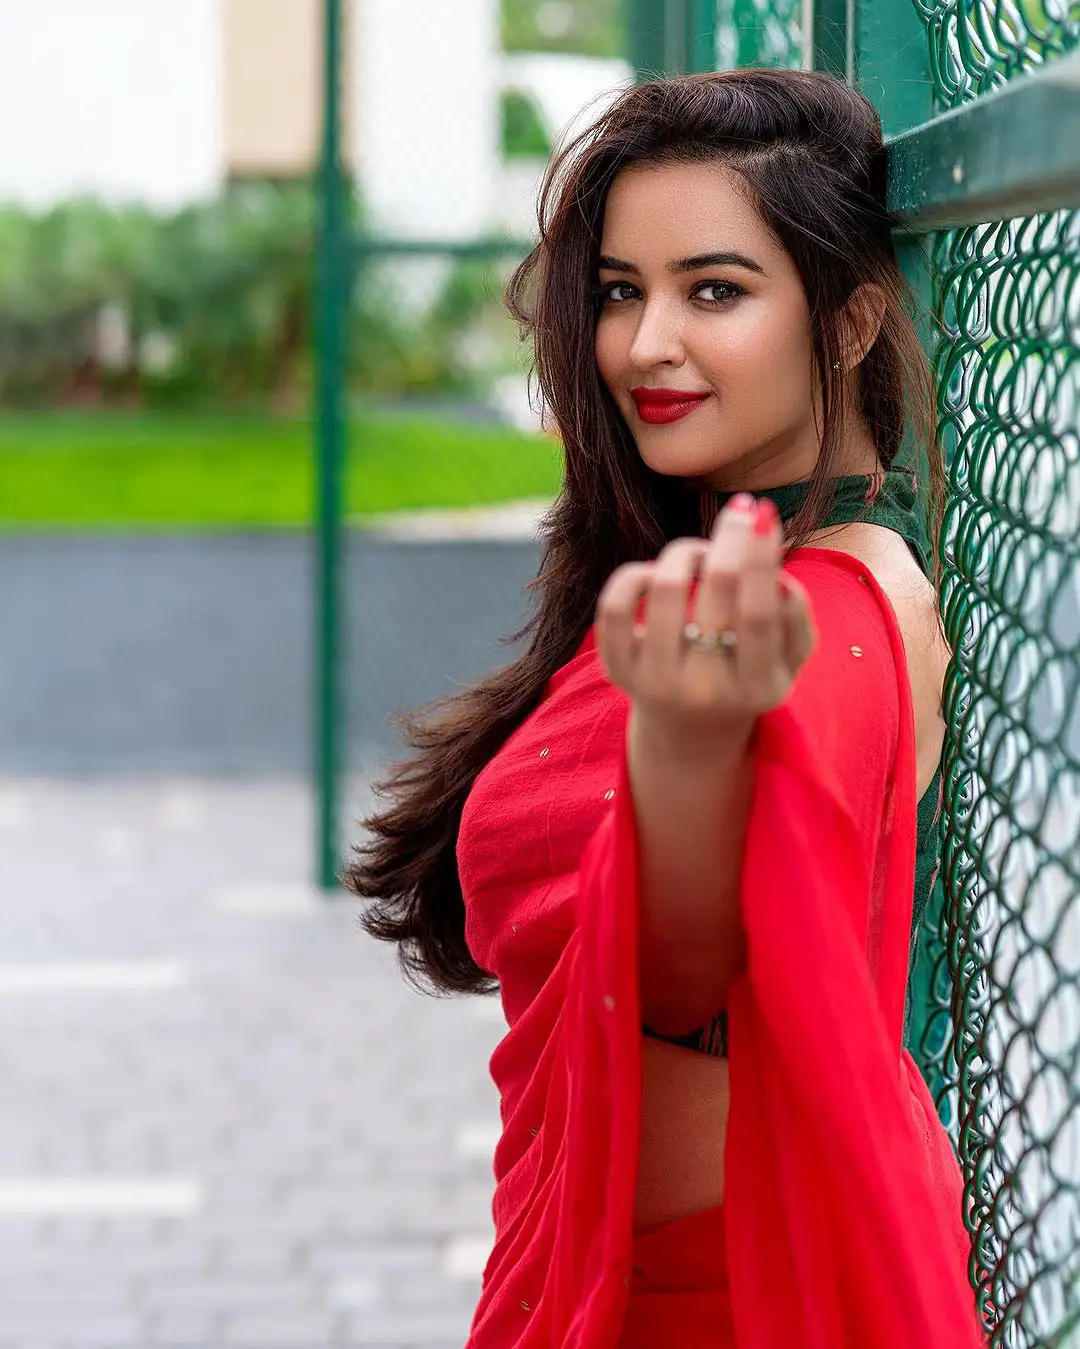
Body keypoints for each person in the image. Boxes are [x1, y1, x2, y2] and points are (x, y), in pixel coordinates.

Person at [347, 69, 986, 1348]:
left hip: (718, 1299)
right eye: (625, 292)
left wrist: (686, 755)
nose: (645, 345)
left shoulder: (837, 613)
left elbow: (690, 969)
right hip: (599, 1264)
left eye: (716, 291)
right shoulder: (704, 572)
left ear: (849, 324)